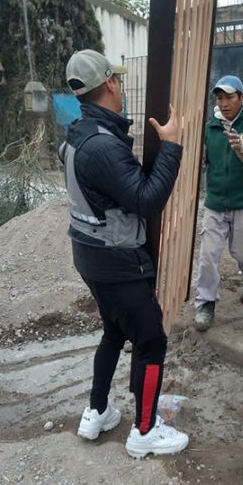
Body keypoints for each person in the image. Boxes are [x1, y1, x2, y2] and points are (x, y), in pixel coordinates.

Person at [58, 49, 189, 459]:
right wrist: (171, 147)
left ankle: (97, 411)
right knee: (151, 340)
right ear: (111, 84)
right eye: (118, 80)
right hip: (116, 261)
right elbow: (147, 200)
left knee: (115, 331)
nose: (122, 87)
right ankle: (145, 431)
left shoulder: (77, 134)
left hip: (90, 254)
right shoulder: (102, 146)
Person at [194, 75, 243, 331]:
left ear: (242, 97)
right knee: (207, 255)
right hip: (216, 202)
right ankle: (206, 303)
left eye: (229, 97)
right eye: (220, 98)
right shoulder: (210, 128)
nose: (224, 103)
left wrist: (241, 144)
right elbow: (200, 159)